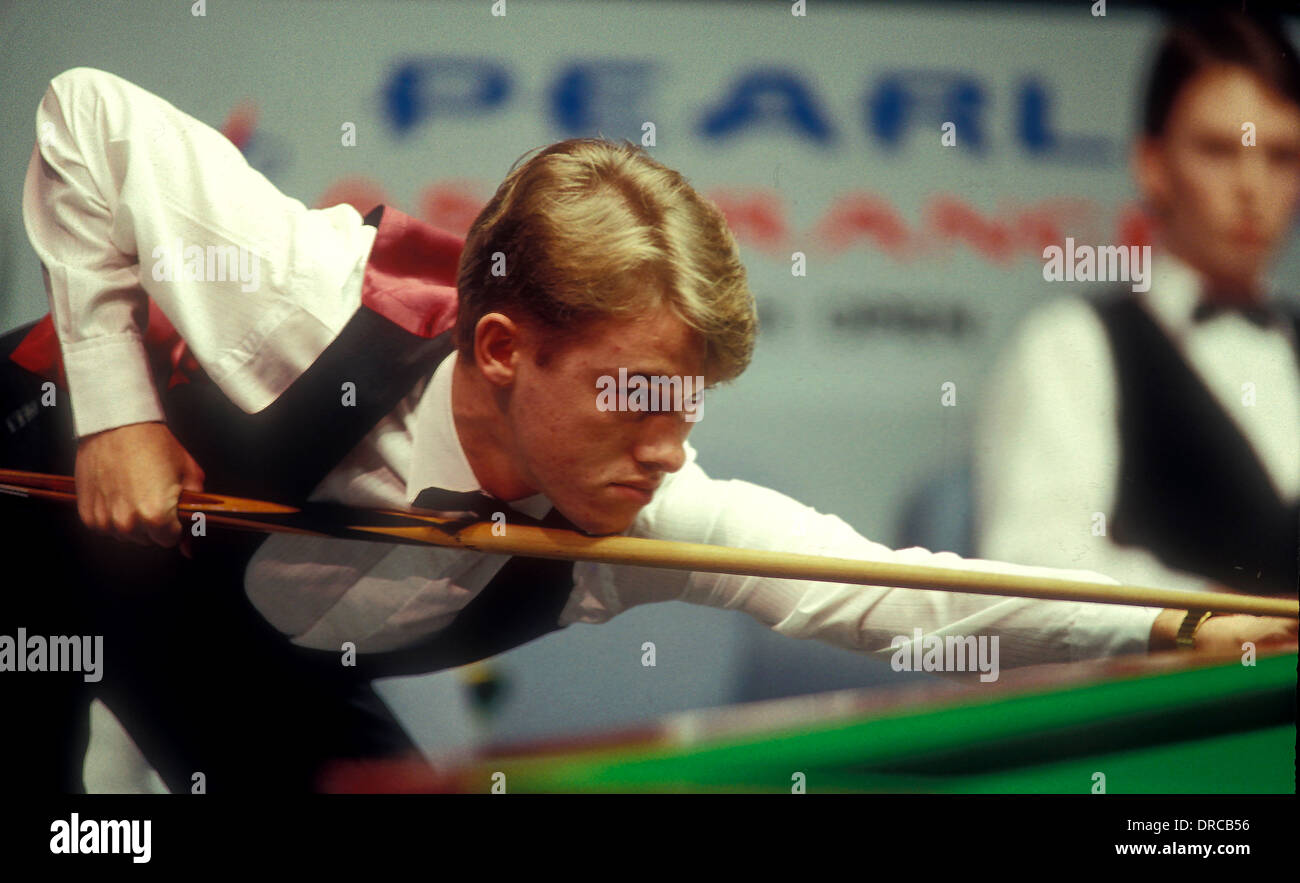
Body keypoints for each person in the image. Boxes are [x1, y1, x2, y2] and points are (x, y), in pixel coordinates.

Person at [6, 64, 1294, 794]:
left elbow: (899, 597)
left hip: (244, 675)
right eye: (636, 395)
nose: (671, 447)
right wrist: (115, 414)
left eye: (689, 408)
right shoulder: (301, 301)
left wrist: (1175, 623)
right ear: (505, 352)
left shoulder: (649, 513)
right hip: (29, 541)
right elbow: (84, 115)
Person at [975, 9, 1300, 602]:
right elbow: (1031, 569)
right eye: (1219, 150)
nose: (1253, 187)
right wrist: (1205, 618)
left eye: (1281, 156)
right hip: (1179, 694)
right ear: (1153, 165)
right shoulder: (1072, 345)